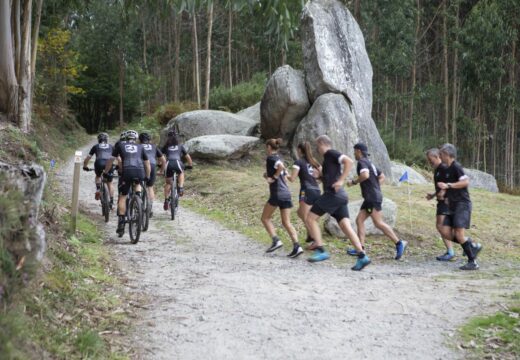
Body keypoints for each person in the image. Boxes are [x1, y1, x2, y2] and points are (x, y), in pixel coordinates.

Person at [305, 135, 370, 270]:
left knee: (310, 219)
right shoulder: (328, 159)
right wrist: (320, 177)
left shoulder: (330, 153)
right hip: (340, 196)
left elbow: (349, 161)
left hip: (333, 195)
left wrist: (341, 181)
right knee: (346, 226)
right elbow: (330, 179)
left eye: (317, 146)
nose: (317, 149)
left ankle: (321, 250)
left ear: (322, 143)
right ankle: (362, 256)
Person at [347, 143, 407, 260]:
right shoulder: (370, 163)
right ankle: (360, 248)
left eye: (354, 151)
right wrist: (375, 187)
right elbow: (382, 176)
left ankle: (399, 243)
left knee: (378, 223)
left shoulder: (362, 162)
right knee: (359, 220)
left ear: (358, 151)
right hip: (372, 196)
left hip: (372, 197)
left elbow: (364, 175)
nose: (354, 153)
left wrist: (353, 182)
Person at [437, 143, 482, 270]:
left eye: (441, 154)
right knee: (445, 231)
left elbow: (465, 182)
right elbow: (449, 186)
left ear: (447, 155)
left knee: (459, 234)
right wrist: (443, 193)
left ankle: (472, 261)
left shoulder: (456, 167)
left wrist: (449, 186)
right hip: (452, 205)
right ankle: (472, 245)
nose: (439, 156)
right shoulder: (448, 169)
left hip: (462, 204)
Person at [104, 130, 151, 236]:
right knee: (137, 184)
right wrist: (147, 176)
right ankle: (138, 200)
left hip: (127, 171)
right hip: (139, 171)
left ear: (126, 139)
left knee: (123, 196)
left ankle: (121, 223)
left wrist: (106, 172)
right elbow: (147, 163)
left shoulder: (120, 145)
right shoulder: (140, 147)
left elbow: (111, 160)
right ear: (136, 139)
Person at [261, 138, 303, 258]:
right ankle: (297, 246)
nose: (266, 149)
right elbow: (283, 172)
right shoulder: (279, 157)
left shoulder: (271, 158)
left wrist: (273, 177)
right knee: (286, 222)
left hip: (277, 193)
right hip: (286, 194)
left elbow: (280, 167)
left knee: (265, 218)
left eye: (266, 147)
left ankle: (276, 240)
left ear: (269, 147)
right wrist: (268, 176)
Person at [286, 142, 322, 245]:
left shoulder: (298, 162)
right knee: (300, 213)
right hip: (317, 190)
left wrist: (286, 174)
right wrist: (317, 180)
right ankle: (310, 235)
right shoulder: (314, 161)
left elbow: (292, 179)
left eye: (298, 150)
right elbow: (322, 175)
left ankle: (315, 240)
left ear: (300, 150)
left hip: (306, 191)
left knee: (306, 217)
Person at [425, 148, 456, 261]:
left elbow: (451, 183)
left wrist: (444, 193)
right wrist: (433, 195)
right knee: (443, 227)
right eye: (428, 160)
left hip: (446, 202)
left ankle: (462, 246)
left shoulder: (443, 168)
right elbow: (441, 186)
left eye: (430, 159)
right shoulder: (438, 169)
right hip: (441, 201)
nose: (429, 162)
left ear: (437, 156)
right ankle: (462, 246)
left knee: (441, 227)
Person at [161, 130, 193, 211]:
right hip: (178, 162)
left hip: (168, 164)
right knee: (181, 172)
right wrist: (190, 165)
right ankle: (181, 187)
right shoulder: (180, 146)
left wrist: (159, 165)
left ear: (168, 137)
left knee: (168, 183)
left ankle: (166, 200)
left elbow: (160, 157)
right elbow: (188, 157)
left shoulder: (165, 146)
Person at [83, 133, 115, 206]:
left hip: (99, 163)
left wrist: (85, 166)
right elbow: (118, 158)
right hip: (109, 163)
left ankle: (98, 189)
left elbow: (88, 158)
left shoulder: (96, 146)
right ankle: (112, 201)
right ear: (107, 140)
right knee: (109, 182)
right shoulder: (111, 146)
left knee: (98, 176)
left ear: (98, 140)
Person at [139, 132, 165, 217]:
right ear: (149, 140)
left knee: (137, 184)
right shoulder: (154, 147)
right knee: (150, 186)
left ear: (140, 140)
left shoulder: (138, 147)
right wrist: (161, 170)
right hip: (152, 165)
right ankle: (150, 207)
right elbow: (163, 160)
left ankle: (137, 202)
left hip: (140, 165)